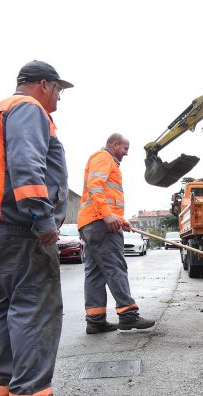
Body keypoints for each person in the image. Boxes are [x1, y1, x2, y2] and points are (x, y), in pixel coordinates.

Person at [0, 60, 80, 396]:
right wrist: (43, 218)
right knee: (35, 307)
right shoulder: (29, 110)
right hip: (21, 227)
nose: (59, 99)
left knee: (6, 305)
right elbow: (26, 165)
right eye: (59, 91)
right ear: (44, 85)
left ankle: (2, 391)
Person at [78, 134, 155, 334]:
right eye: (125, 148)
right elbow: (96, 187)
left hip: (91, 222)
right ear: (114, 144)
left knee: (94, 273)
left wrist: (121, 220)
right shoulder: (103, 158)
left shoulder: (104, 161)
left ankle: (95, 320)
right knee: (115, 267)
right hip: (99, 223)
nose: (126, 153)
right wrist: (107, 215)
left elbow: (106, 195)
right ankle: (128, 315)